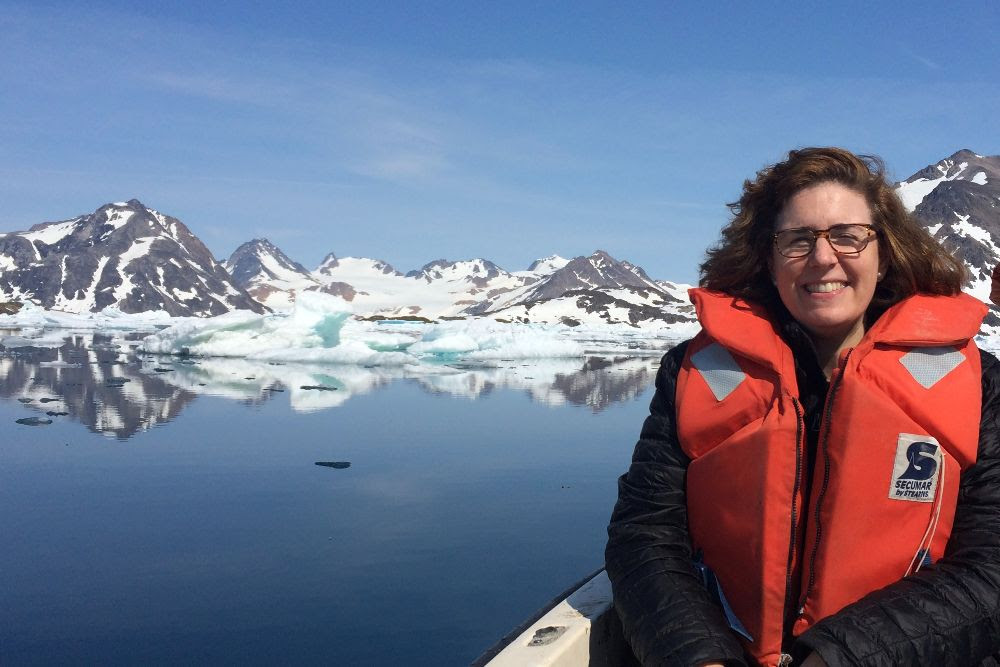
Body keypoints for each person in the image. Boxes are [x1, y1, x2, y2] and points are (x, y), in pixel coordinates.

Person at [605, 147, 1000, 667]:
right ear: (768, 262)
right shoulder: (694, 372)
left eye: (848, 235)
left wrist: (839, 658)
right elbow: (645, 535)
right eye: (797, 239)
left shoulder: (980, 384)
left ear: (885, 256)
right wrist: (701, 659)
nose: (822, 258)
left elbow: (991, 566)